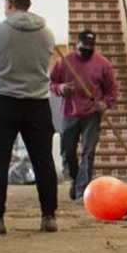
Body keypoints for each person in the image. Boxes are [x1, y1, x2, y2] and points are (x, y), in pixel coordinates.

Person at [0, 0, 60, 235]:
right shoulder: (47, 34)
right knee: (43, 161)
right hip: (38, 104)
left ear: (8, 3)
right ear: (29, 5)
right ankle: (49, 217)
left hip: (4, 102)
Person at [50, 29, 120, 203]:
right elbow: (51, 83)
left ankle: (82, 191)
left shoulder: (102, 64)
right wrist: (61, 89)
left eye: (91, 45)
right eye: (84, 45)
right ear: (77, 44)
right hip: (69, 113)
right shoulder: (63, 62)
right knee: (67, 152)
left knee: (88, 152)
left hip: (91, 114)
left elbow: (112, 89)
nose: (87, 48)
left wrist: (105, 103)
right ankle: (76, 179)